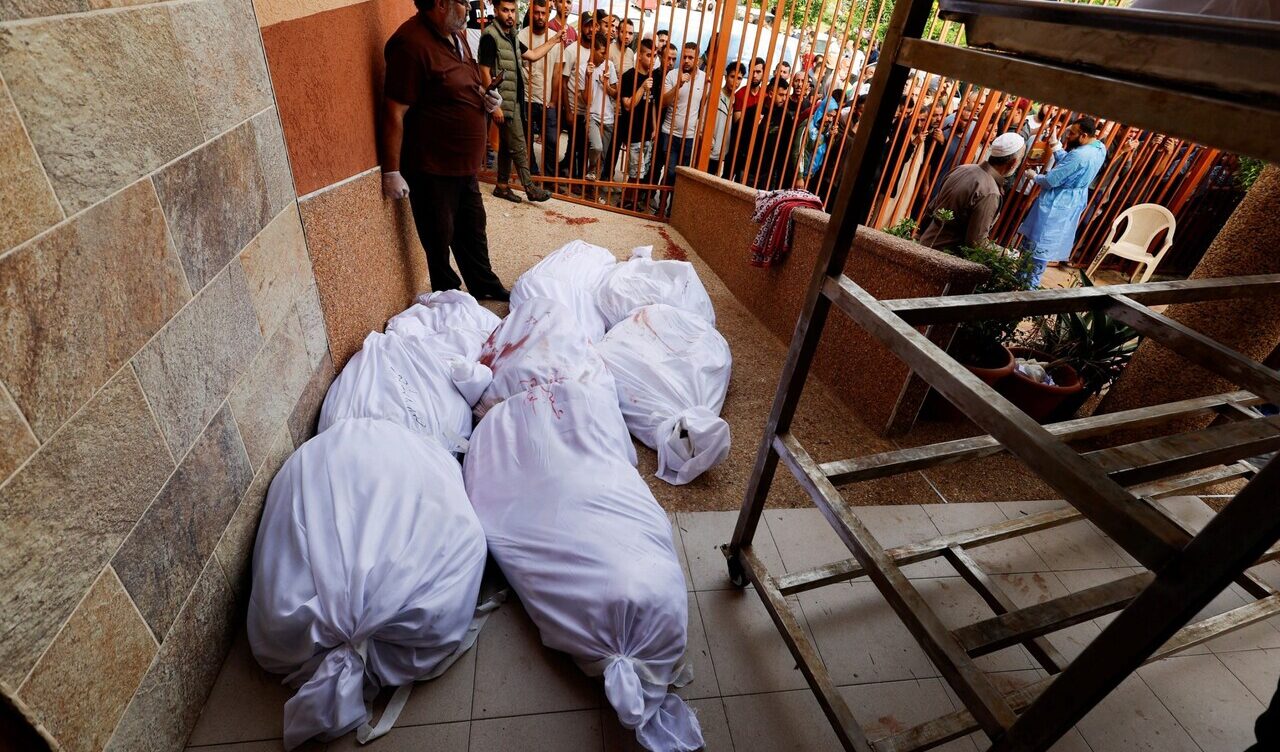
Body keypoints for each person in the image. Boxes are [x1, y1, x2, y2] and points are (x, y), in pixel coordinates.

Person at [380, 0, 509, 300]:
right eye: (463, 2)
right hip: (432, 166)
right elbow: (393, 111)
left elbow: (463, 82)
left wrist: (486, 98)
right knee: (439, 234)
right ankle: (447, 297)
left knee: (474, 227)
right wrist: (391, 171)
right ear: (441, 4)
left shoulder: (456, 34)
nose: (470, 7)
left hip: (463, 164)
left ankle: (484, 284)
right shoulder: (410, 44)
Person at [479, 0, 559, 202]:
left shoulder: (512, 35)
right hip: (502, 102)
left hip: (515, 100)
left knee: (507, 145)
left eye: (513, 11)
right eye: (505, 10)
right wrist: (494, 105)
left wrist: (554, 40)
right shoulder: (490, 36)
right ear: (496, 11)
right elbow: (484, 72)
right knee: (519, 144)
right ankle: (530, 187)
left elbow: (532, 55)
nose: (510, 15)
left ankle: (502, 186)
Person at [1018, 116, 1108, 287]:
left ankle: (1028, 285)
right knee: (1044, 244)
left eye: (1072, 134)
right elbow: (1071, 168)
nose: (1068, 137)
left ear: (1083, 136)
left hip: (1056, 203)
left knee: (1039, 245)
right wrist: (1056, 147)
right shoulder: (1100, 148)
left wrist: (1034, 176)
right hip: (1072, 201)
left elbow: (1051, 180)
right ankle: (1024, 280)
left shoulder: (1078, 155)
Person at [917, 132, 1025, 251]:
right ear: (1013, 163)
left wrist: (919, 238)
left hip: (926, 243)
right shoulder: (990, 192)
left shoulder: (962, 169)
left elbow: (930, 210)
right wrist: (1005, 254)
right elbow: (976, 242)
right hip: (945, 257)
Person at [652, 42, 708, 215]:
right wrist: (678, 85)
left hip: (689, 136)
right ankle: (661, 207)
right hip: (669, 132)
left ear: (697, 59)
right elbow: (663, 102)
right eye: (684, 57)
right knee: (669, 171)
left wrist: (700, 130)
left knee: (681, 176)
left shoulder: (705, 79)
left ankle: (672, 211)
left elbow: (703, 106)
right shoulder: (672, 75)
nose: (687, 60)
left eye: (691, 57)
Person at [518, 0, 563, 178]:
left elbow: (558, 72)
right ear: (530, 13)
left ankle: (549, 178)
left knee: (551, 140)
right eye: (536, 13)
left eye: (543, 13)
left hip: (546, 99)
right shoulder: (521, 36)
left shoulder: (556, 39)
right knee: (526, 139)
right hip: (526, 98)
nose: (540, 17)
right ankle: (532, 174)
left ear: (549, 13)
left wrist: (553, 99)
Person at [618, 38, 660, 209]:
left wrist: (655, 127)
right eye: (649, 55)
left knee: (642, 171)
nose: (653, 59)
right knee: (635, 170)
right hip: (634, 131)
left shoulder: (653, 78)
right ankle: (626, 201)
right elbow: (627, 105)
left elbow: (653, 104)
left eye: (655, 55)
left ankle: (632, 200)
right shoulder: (629, 76)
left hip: (647, 131)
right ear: (640, 56)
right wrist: (642, 87)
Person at [578, 31, 619, 182]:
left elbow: (616, 94)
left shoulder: (609, 66)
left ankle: (592, 192)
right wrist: (589, 77)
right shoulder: (583, 69)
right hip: (593, 116)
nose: (605, 57)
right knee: (597, 147)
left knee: (602, 158)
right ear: (593, 50)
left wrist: (606, 85)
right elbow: (586, 100)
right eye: (602, 53)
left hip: (608, 118)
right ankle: (590, 170)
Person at [559, 12, 596, 180]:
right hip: (574, 107)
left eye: (593, 25)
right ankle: (568, 175)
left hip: (589, 109)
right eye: (587, 25)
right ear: (581, 26)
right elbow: (564, 82)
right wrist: (568, 110)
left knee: (582, 146)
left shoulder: (597, 50)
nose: (590, 29)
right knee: (575, 144)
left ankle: (571, 173)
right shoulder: (571, 50)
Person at [709, 61, 745, 176]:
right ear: (725, 77)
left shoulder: (736, 100)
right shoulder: (716, 95)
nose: (735, 81)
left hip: (724, 152)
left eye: (739, 78)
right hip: (709, 149)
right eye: (732, 77)